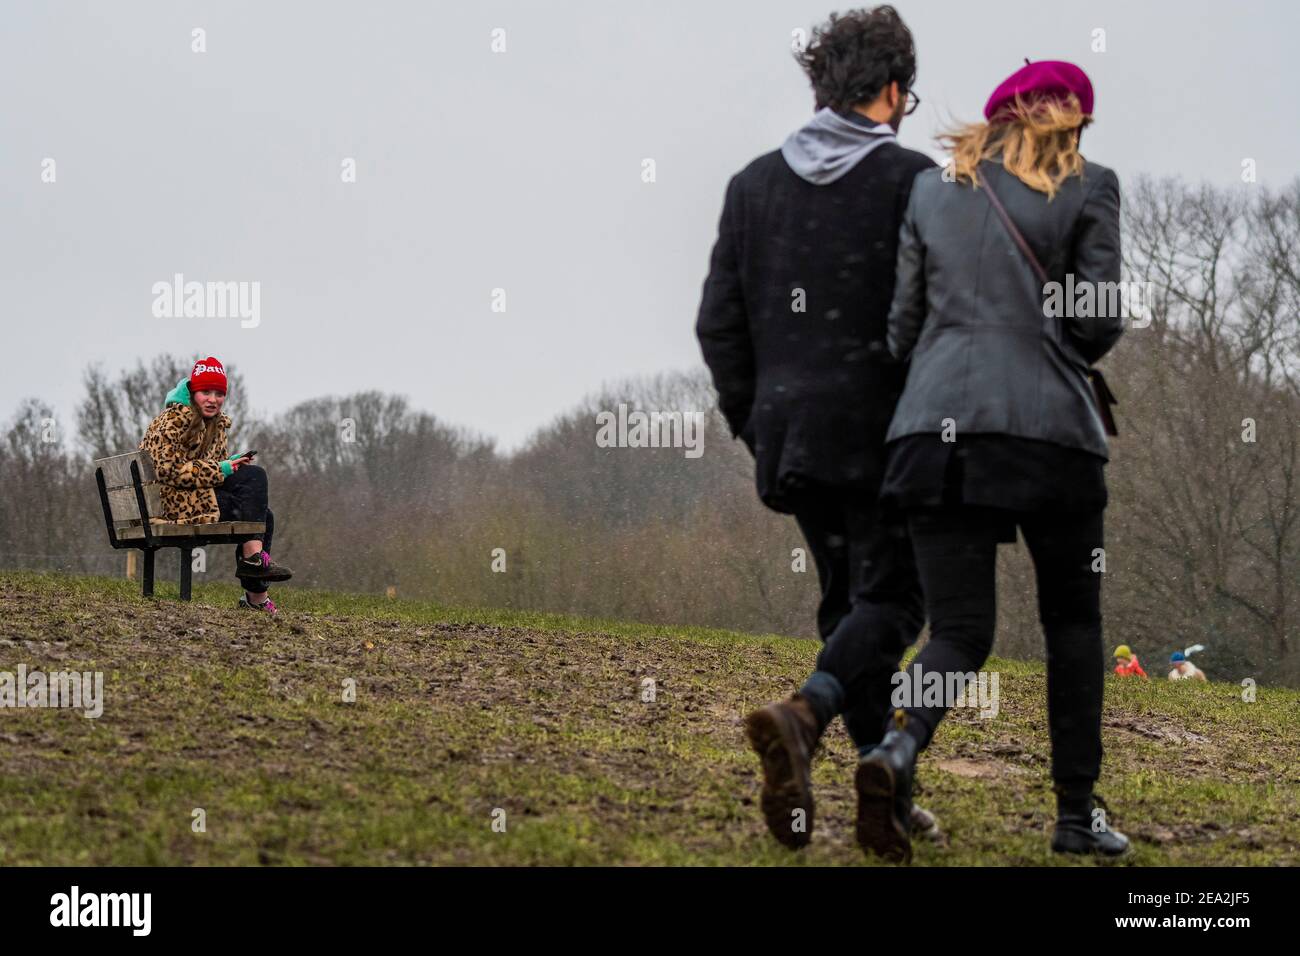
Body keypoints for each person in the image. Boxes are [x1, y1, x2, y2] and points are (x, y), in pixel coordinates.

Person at [858, 60, 1129, 861]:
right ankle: (1076, 816)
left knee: (962, 629)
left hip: (932, 434)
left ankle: (896, 749)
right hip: (1051, 436)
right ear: (1069, 120)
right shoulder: (1092, 185)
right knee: (1074, 625)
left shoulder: (934, 190)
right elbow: (1097, 315)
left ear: (999, 115)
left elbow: (902, 326)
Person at [695, 6, 936, 850]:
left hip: (791, 435)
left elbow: (718, 326)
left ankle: (879, 782)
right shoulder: (916, 181)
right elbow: (934, 318)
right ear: (895, 90)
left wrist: (757, 422)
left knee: (847, 604)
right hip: (885, 434)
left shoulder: (753, 184)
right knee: (897, 600)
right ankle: (805, 717)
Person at [139, 356, 292, 613]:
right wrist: (220, 469)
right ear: (193, 392)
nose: (213, 399)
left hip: (195, 498)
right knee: (255, 493)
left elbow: (210, 468)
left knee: (262, 505)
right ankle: (255, 575)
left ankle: (255, 589)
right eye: (206, 392)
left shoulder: (216, 424)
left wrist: (229, 464)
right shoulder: (173, 421)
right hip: (169, 504)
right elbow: (167, 470)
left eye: (219, 393)